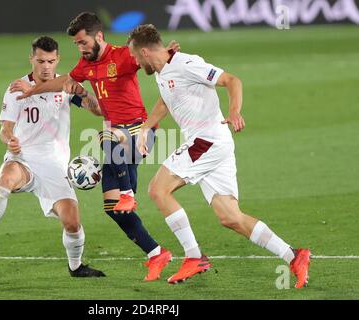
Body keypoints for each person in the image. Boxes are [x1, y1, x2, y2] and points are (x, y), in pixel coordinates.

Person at [127, 24, 311, 287]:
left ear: (145, 51)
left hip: (208, 140)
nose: (134, 62)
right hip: (214, 145)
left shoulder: (187, 64)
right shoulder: (162, 69)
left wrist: (234, 111)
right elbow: (167, 100)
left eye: (135, 56)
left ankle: (194, 257)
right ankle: (294, 255)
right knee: (230, 217)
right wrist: (147, 126)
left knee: (158, 189)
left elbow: (231, 80)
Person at [10, 12, 178, 281]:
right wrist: (31, 90)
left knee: (108, 137)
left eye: (83, 42)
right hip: (117, 140)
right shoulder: (85, 66)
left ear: (98, 36)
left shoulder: (123, 56)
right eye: (76, 44)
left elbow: (150, 58)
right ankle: (156, 254)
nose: (80, 48)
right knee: (115, 210)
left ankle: (128, 193)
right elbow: (64, 81)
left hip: (138, 131)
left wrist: (169, 55)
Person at [0, 36, 105, 278]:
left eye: (50, 61)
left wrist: (82, 91)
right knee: (6, 178)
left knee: (72, 222)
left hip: (54, 165)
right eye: (41, 61)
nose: (46, 66)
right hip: (24, 158)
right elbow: (5, 127)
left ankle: (76, 266)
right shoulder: (17, 87)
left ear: (57, 59)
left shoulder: (66, 85)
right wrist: (10, 139)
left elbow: (98, 110)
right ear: (32, 59)